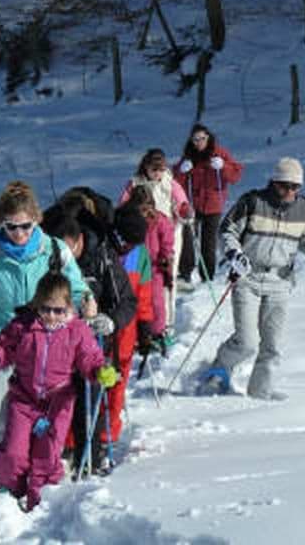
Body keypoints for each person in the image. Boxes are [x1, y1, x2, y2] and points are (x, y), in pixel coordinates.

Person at [0, 181, 96, 483]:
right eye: (11, 226)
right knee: (0, 421)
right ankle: (2, 486)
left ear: (37, 219)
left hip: (46, 344)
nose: (18, 233)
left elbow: (77, 287)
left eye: (25, 225)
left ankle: (40, 479)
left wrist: (87, 301)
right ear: (0, 223)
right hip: (2, 344)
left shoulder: (54, 250)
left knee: (45, 420)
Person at [0, 272, 119, 512]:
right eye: (46, 309)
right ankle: (13, 501)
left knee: (46, 457)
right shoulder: (22, 327)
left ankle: (41, 506)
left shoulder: (76, 330)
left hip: (57, 403)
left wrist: (100, 371)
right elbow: (2, 356)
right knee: (12, 455)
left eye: (58, 310)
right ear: (37, 305)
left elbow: (89, 358)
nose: (51, 316)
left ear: (69, 306)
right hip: (24, 400)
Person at [198, 158, 305, 400]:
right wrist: (234, 253)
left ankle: (260, 394)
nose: (290, 192)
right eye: (285, 185)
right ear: (274, 182)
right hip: (248, 278)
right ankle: (218, 372)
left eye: (296, 187)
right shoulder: (252, 202)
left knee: (272, 344)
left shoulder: (303, 207)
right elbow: (227, 231)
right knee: (247, 341)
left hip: (280, 281)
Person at [40, 196, 138, 473]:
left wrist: (110, 320)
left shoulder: (103, 258)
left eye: (68, 250)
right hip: (55, 345)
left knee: (88, 404)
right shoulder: (48, 260)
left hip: (92, 344)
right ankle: (54, 459)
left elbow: (127, 301)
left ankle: (90, 463)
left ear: (80, 241)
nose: (64, 258)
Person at [119, 148, 191, 331]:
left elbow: (181, 201)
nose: (157, 173)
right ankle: (139, 322)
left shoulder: (169, 183)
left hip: (167, 232)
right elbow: (122, 205)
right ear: (146, 167)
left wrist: (184, 210)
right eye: (154, 169)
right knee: (139, 281)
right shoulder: (135, 184)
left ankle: (167, 320)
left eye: (160, 169)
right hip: (140, 234)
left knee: (167, 278)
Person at [103, 202, 154, 449]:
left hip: (127, 328)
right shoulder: (101, 247)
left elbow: (144, 292)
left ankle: (108, 438)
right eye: (126, 241)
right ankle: (76, 441)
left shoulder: (141, 253)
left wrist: (146, 327)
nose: (128, 247)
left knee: (117, 382)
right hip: (100, 324)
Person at [174, 123, 243, 290]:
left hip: (213, 205)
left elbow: (235, 176)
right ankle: (185, 273)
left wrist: (224, 166)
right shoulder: (189, 157)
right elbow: (175, 181)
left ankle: (207, 277)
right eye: (195, 139)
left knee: (208, 242)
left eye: (202, 138)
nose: (199, 142)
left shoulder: (219, 154)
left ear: (208, 138)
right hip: (193, 204)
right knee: (188, 237)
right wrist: (182, 171)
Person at [127, 185, 175, 352]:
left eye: (147, 207)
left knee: (156, 301)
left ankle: (157, 331)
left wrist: (165, 256)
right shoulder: (129, 220)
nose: (144, 212)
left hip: (154, 266)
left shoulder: (160, 220)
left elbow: (167, 240)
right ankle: (137, 333)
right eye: (140, 208)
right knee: (135, 300)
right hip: (134, 265)